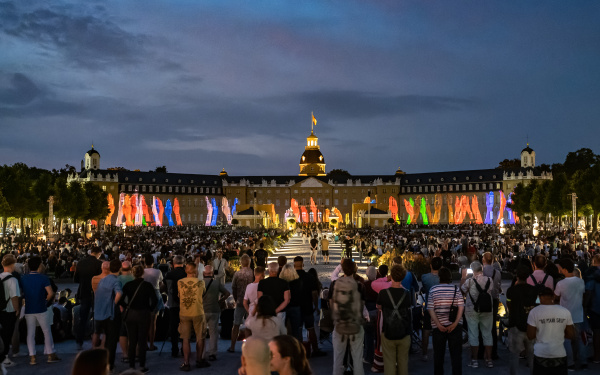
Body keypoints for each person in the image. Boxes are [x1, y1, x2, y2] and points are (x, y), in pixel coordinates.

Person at [527, 287, 576, 375]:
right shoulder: (565, 311)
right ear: (553, 297)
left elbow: (530, 335)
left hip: (541, 354)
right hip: (559, 353)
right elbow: (571, 335)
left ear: (540, 297)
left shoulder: (534, 312)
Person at [21, 256, 60, 365]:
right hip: (41, 308)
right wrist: (45, 301)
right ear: (39, 265)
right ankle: (50, 354)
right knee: (46, 331)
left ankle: (32, 356)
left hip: (29, 308)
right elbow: (50, 293)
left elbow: (21, 293)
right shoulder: (43, 278)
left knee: (30, 333)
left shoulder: (24, 278)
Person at [329, 258, 364, 375]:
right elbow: (361, 306)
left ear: (342, 269)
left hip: (340, 324)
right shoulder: (359, 285)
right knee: (357, 358)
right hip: (355, 323)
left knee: (338, 359)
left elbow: (331, 303)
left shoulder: (335, 284)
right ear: (354, 270)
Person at [120, 264, 158, 373]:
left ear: (133, 273)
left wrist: (127, 306)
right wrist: (150, 308)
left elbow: (121, 299)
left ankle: (132, 365)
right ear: (142, 273)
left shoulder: (128, 285)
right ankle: (142, 365)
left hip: (131, 313)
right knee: (142, 341)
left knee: (132, 340)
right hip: (144, 313)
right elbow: (154, 300)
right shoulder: (147, 285)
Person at [376, 265, 412, 375]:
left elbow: (379, 306)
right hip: (404, 331)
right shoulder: (407, 294)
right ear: (403, 277)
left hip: (388, 330)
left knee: (389, 363)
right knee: (403, 363)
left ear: (391, 276)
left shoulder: (383, 293)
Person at [428, 267, 464, 375]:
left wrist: (438, 324)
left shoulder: (433, 290)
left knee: (438, 356)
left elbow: (430, 308)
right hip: (455, 326)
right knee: (456, 356)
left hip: (438, 327)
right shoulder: (456, 289)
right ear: (450, 277)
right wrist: (455, 323)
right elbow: (461, 307)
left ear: (439, 277)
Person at [554, 258, 586, 370]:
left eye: (560, 268)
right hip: (578, 314)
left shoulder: (561, 283)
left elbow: (556, 297)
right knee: (578, 339)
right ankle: (582, 361)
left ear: (564, 269)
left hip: (565, 315)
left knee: (566, 340)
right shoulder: (581, 281)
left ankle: (570, 362)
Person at [460, 260, 493, 368]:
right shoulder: (490, 280)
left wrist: (463, 277)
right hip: (487, 310)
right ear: (481, 269)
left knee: (473, 334)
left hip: (472, 310)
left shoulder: (469, 281)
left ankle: (474, 360)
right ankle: (489, 360)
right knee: (487, 334)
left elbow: (462, 291)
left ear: (472, 270)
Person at [506, 266, 537, 375]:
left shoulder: (511, 290)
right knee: (532, 356)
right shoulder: (534, 290)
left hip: (516, 325)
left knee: (514, 356)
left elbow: (508, 304)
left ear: (517, 277)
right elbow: (537, 304)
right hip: (531, 325)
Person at [93, 259, 123, 371]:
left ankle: (103, 361)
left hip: (100, 313)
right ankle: (109, 364)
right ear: (119, 269)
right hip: (110, 314)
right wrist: (114, 304)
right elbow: (119, 293)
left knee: (104, 338)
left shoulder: (102, 280)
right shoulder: (116, 281)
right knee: (111, 340)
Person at [178, 262, 208, 371]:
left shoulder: (180, 282)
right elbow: (202, 294)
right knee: (200, 337)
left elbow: (179, 295)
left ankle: (186, 362)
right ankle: (199, 360)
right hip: (198, 312)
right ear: (195, 271)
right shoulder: (201, 282)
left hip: (184, 313)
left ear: (186, 270)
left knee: (185, 338)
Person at [293, 256, 326, 357]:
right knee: (311, 329)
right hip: (307, 306)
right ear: (303, 264)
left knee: (297, 330)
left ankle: (299, 351)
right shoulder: (309, 277)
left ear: (294, 265)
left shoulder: (291, 277)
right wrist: (316, 306)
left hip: (295, 307)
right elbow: (315, 293)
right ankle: (315, 350)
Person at [73, 247, 102, 350]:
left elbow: (76, 279)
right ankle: (96, 339)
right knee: (97, 317)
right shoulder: (99, 264)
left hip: (84, 292)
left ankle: (79, 340)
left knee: (83, 317)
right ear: (99, 253)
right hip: (96, 293)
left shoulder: (81, 263)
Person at [202, 265, 230, 362]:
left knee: (201, 333)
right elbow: (227, 293)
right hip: (214, 309)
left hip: (202, 310)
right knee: (213, 333)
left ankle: (201, 353)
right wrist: (221, 301)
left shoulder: (200, 283)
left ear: (203, 273)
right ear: (212, 273)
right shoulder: (216, 283)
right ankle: (212, 353)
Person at [229, 254, 254, 352]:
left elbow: (233, 288)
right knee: (250, 326)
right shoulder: (252, 273)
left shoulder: (237, 274)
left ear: (241, 263)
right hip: (250, 303)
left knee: (236, 325)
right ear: (249, 262)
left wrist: (236, 299)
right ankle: (249, 347)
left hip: (240, 301)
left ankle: (232, 346)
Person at [164, 255, 186, 358]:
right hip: (185, 303)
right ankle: (184, 348)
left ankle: (174, 349)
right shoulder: (186, 274)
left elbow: (165, 288)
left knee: (173, 327)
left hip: (173, 303)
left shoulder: (169, 274)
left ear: (173, 263)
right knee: (185, 326)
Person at [0, 255, 20, 368]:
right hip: (9, 310)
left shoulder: (0, 277)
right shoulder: (13, 280)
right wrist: (17, 309)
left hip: (0, 310)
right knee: (7, 334)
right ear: (12, 265)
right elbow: (14, 297)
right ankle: (5, 358)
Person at [481, 252, 502, 359]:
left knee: (481, 325)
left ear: (483, 260)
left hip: (481, 301)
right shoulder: (497, 273)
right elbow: (499, 287)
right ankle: (493, 352)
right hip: (493, 300)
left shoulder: (479, 272)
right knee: (493, 326)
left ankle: (481, 352)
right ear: (493, 260)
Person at [420, 256, 441, 361]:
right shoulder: (443, 278)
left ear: (430, 265)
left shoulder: (425, 277)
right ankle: (438, 352)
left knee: (426, 330)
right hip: (441, 306)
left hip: (429, 306)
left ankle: (424, 353)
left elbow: (424, 287)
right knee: (439, 330)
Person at [257, 262, 290, 328]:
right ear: (278, 270)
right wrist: (276, 311)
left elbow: (260, 298)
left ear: (269, 270)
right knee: (280, 333)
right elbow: (287, 300)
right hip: (280, 313)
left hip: (266, 313)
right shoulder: (284, 283)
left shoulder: (262, 283)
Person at [142, 254, 164, 351]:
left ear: (144, 262)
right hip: (155, 294)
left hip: (144, 295)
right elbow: (161, 284)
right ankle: (151, 344)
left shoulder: (141, 271)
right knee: (153, 321)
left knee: (144, 321)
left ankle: (144, 343)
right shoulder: (158, 272)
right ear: (153, 262)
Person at [584, 254, 600, 363]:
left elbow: (589, 291)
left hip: (596, 306)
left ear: (593, 261)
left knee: (597, 332)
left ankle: (597, 357)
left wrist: (584, 305)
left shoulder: (592, 273)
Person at [279, 264, 302, 340]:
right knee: (296, 329)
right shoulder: (298, 282)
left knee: (283, 330)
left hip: (283, 307)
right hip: (296, 306)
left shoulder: (281, 283)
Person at [117, 261, 134, 362]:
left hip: (121, 307)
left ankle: (125, 354)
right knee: (133, 331)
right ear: (131, 268)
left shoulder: (117, 279)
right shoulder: (134, 278)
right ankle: (134, 353)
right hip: (134, 307)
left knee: (123, 332)